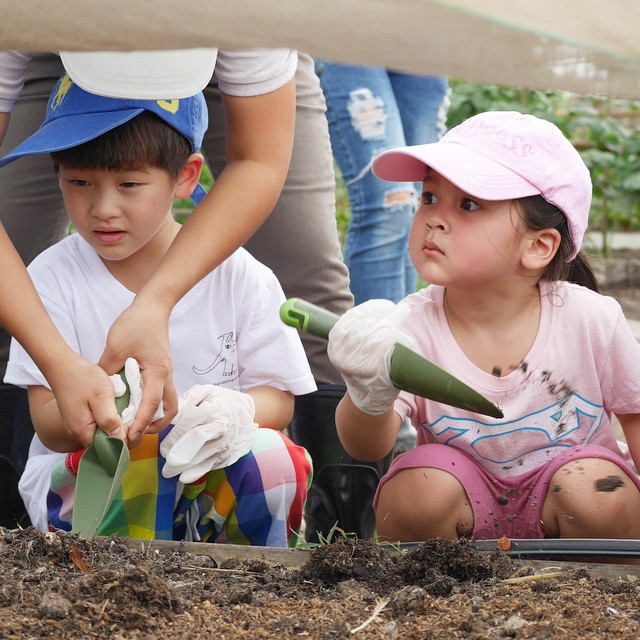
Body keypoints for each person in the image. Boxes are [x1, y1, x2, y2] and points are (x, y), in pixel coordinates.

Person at [0, 50, 355, 532]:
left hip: (208, 476)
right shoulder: (51, 278)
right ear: (55, 172)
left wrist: (235, 413)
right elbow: (49, 422)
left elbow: (277, 399)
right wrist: (91, 404)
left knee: (272, 456)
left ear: (186, 176)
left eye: (129, 183)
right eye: (79, 181)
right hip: (95, 476)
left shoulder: (240, 277)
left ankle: (283, 561)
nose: (103, 208)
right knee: (140, 459)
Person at [326, 110, 640, 543]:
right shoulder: (411, 326)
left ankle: (601, 588)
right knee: (418, 491)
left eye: (469, 203)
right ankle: (432, 601)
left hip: (568, 513)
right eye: (429, 197)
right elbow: (366, 447)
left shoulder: (590, 320)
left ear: (538, 245)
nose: (434, 218)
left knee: (598, 491)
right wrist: (367, 392)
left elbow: (636, 418)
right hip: (465, 518)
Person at [315, 62, 449, 304]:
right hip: (348, 38)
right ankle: (372, 337)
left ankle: (402, 330)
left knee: (418, 204)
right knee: (391, 202)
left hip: (424, 40)